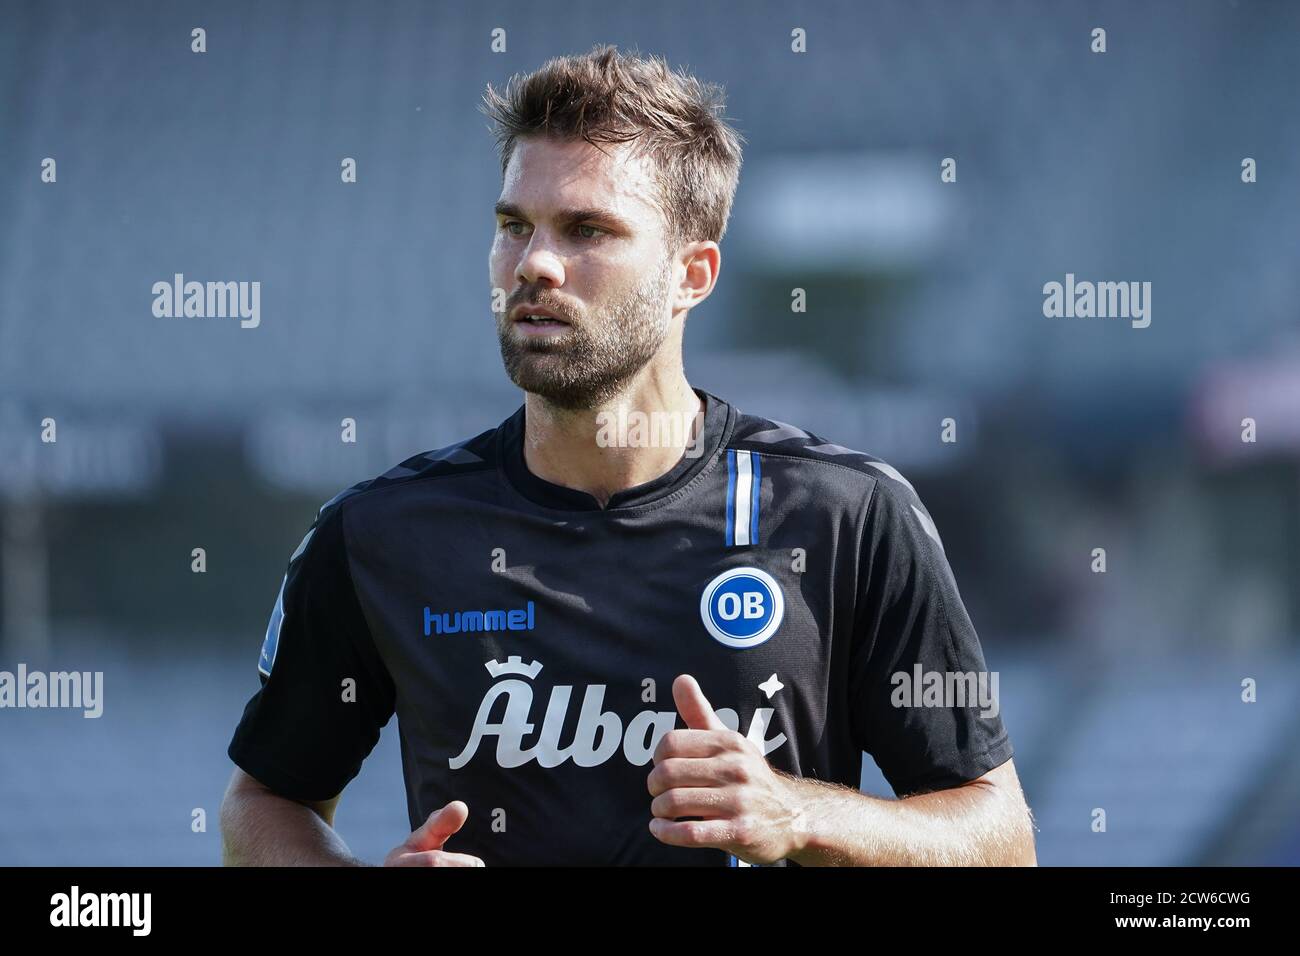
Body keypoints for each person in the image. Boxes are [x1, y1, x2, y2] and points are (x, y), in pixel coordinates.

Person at [220, 44, 1035, 867]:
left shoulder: (846, 516)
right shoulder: (381, 535)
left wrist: (800, 813)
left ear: (693, 274)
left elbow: (1003, 841)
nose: (533, 263)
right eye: (514, 226)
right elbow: (264, 803)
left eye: (587, 230)